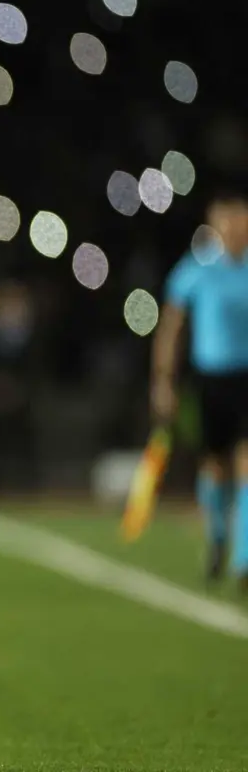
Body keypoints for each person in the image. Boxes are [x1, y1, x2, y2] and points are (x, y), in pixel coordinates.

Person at [152, 193, 248, 589]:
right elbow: (171, 326)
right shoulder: (198, 267)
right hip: (210, 380)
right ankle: (218, 538)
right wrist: (163, 380)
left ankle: (244, 559)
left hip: (246, 379)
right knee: (214, 466)